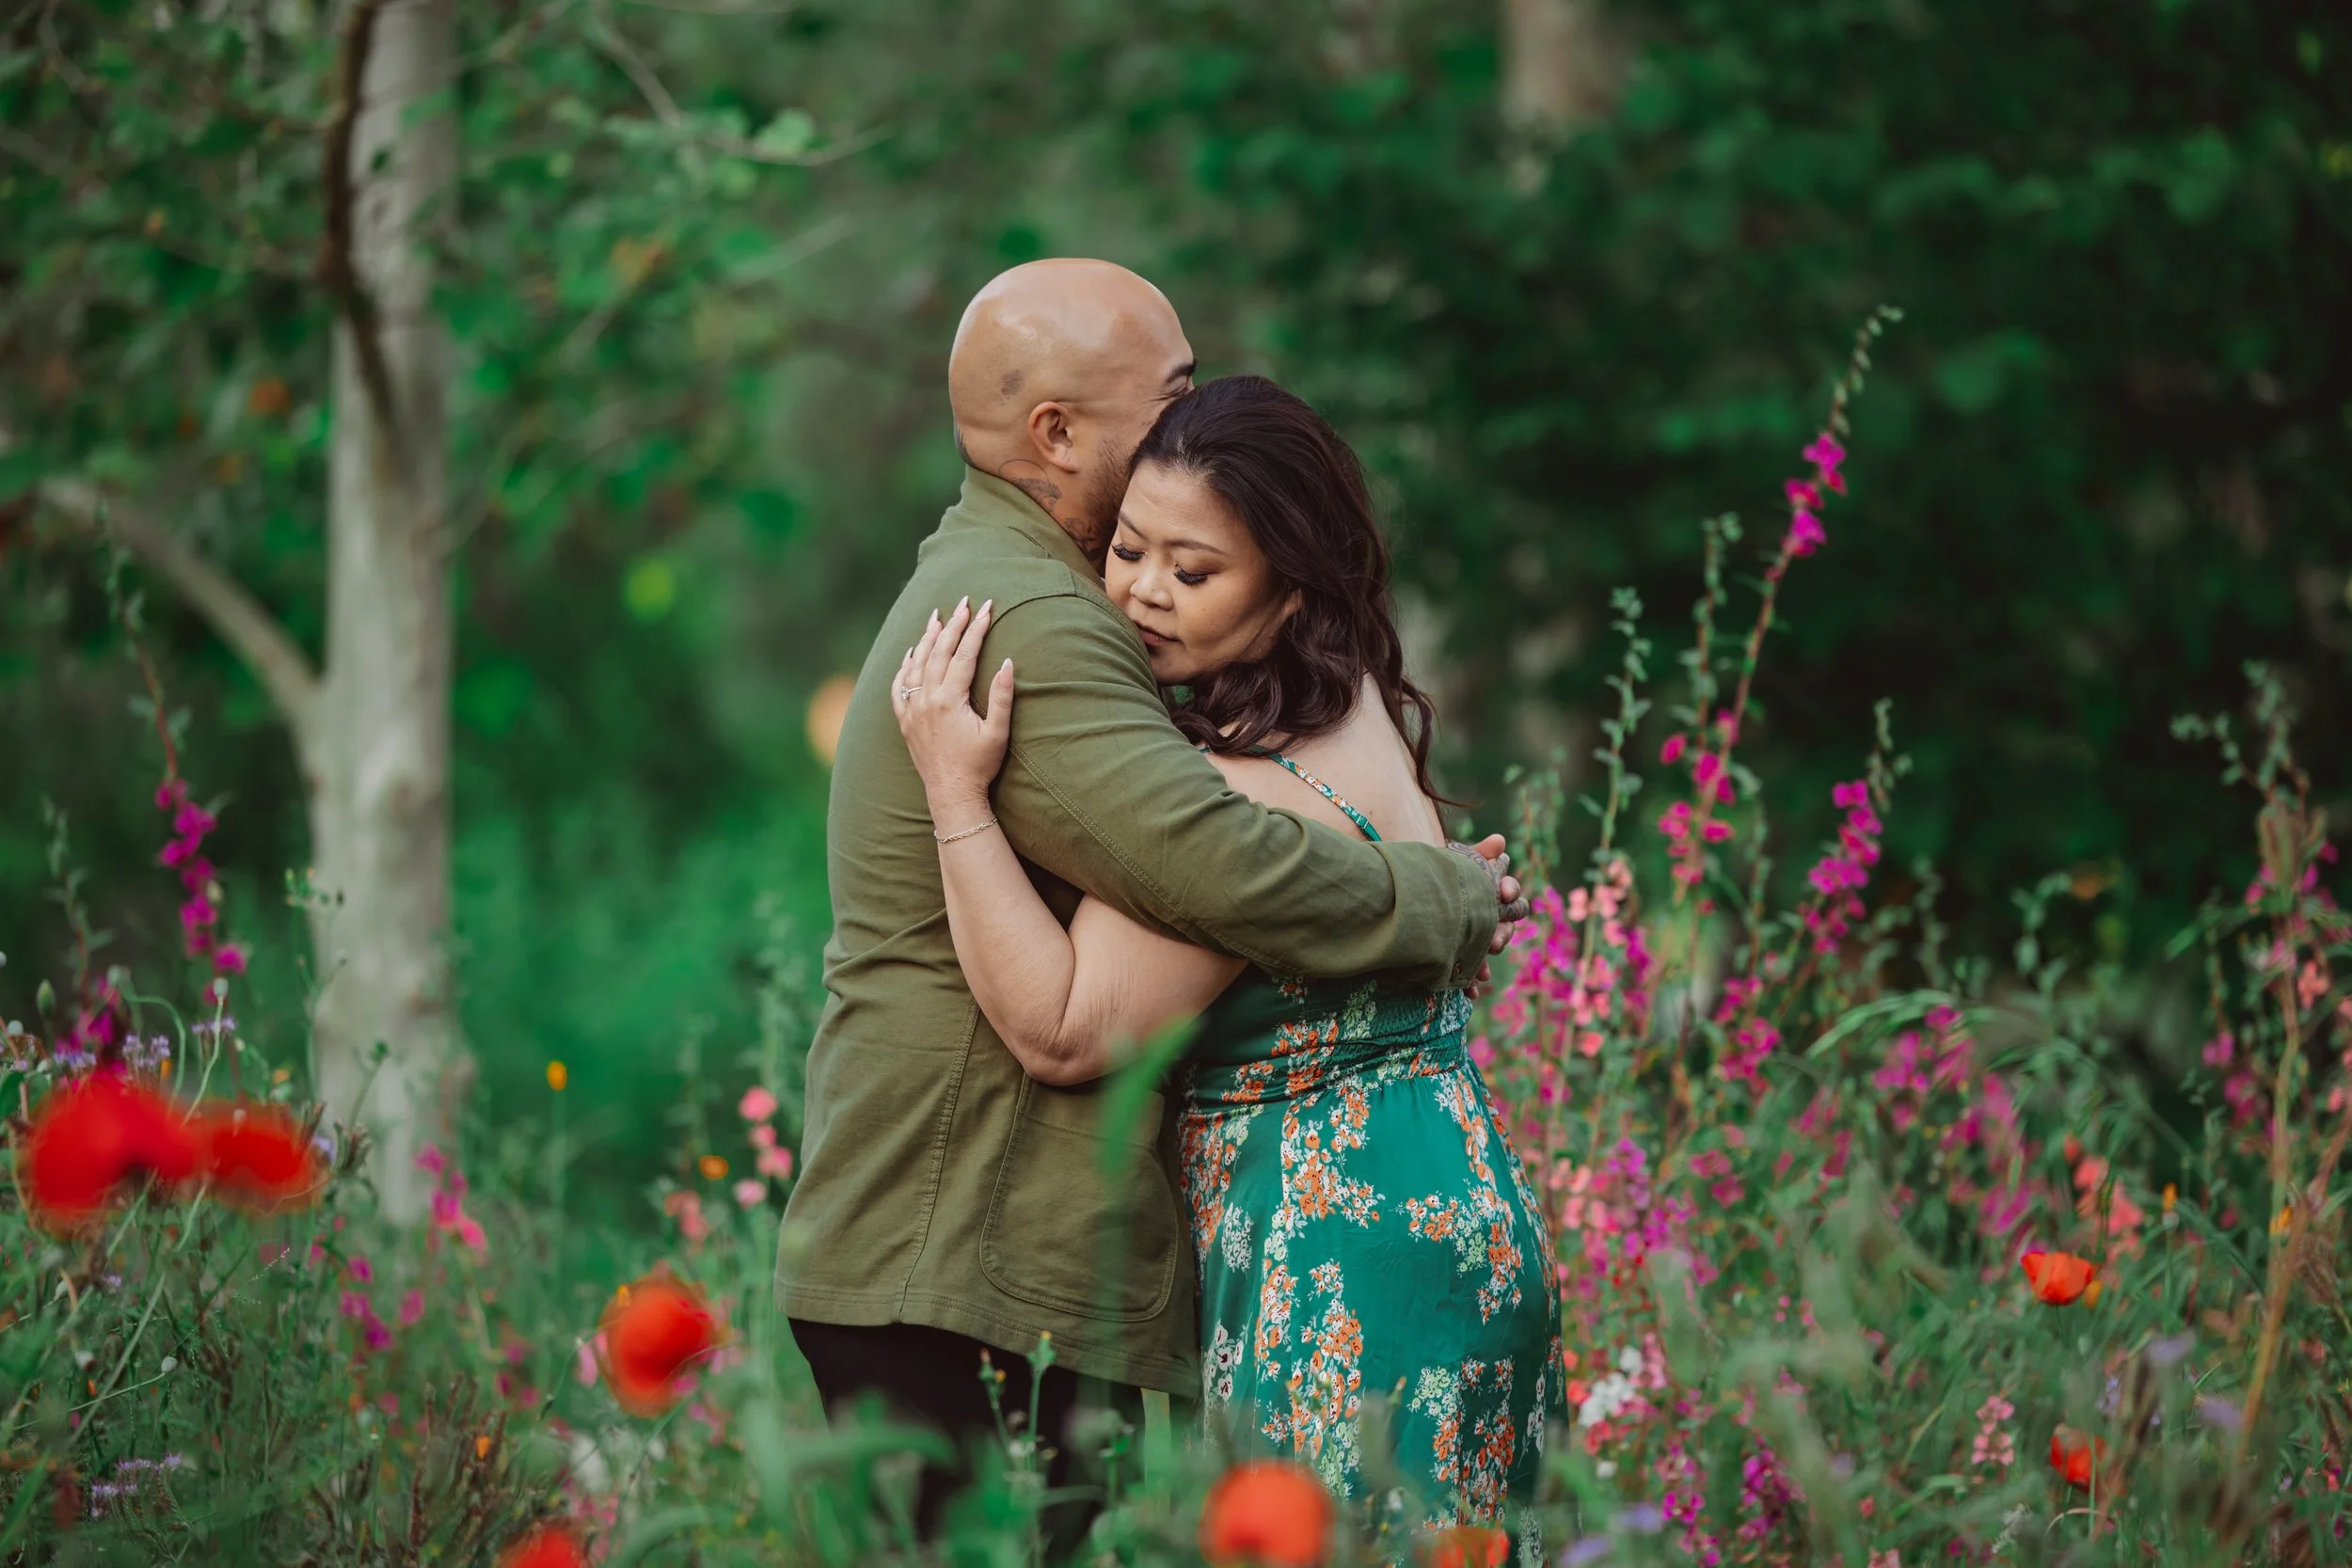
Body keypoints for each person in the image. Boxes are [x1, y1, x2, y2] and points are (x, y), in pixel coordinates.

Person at [778, 261, 1527, 1537]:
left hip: (1019, 1259)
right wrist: (1446, 899)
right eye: (1170, 389)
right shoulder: (1037, 620)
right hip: (959, 1253)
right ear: (1060, 434)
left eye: (1192, 567)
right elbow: (1204, 861)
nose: (1192, 415)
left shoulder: (1033, 593)